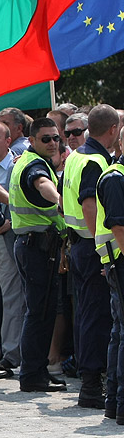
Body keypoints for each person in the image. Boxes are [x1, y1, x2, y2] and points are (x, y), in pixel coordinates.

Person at [61, 104, 118, 409]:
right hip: (92, 247)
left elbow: (61, 200)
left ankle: (89, 382)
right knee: (96, 318)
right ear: (112, 130)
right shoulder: (95, 161)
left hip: (78, 244)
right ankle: (93, 387)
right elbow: (89, 206)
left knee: (86, 315)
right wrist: (104, 252)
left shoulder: (75, 156)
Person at [9, 118, 67, 392]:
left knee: (40, 311)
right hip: (35, 247)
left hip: (34, 245)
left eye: (56, 138)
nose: (53, 143)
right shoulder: (34, 165)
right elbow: (41, 183)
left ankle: (37, 371)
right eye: (46, 138)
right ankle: (32, 375)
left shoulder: (28, 159)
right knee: (39, 313)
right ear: (32, 140)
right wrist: (58, 199)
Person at [0, 121, 25, 374]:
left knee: (12, 296)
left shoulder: (16, 165)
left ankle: (12, 353)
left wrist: (10, 222)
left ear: (8, 141)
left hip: (9, 239)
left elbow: (23, 201)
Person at [96, 129, 124, 423]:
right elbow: (118, 226)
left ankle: (115, 402)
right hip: (119, 262)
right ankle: (118, 402)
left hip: (117, 262)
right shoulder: (116, 177)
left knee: (120, 333)